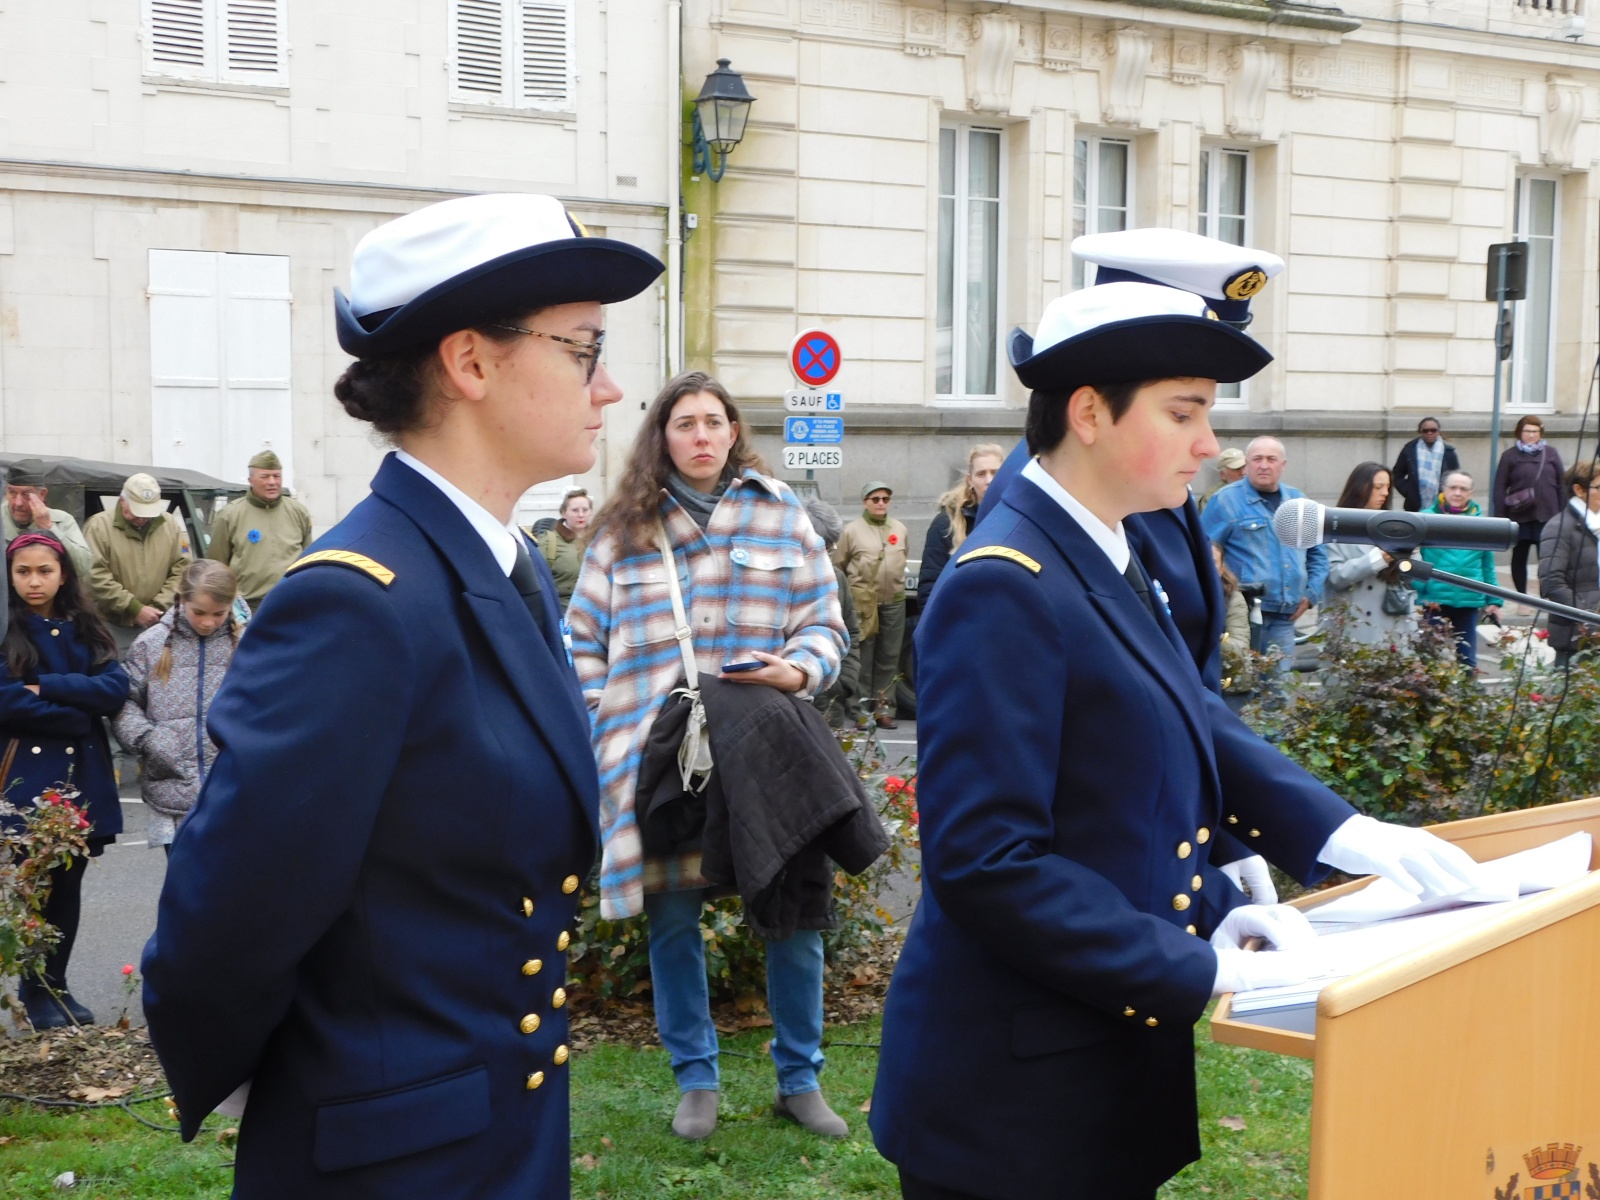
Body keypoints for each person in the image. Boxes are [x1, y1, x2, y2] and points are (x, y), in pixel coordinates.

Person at [871, 281, 1486, 1200]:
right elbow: (987, 862)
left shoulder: (1103, 548)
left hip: (1095, 1072)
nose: (1209, 443)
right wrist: (1201, 966)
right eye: (1184, 412)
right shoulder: (1005, 581)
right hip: (1012, 1106)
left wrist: (1274, 873)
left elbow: (1168, 734)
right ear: (1088, 413)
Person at [141, 192, 664, 1197]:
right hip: (391, 1160)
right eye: (583, 350)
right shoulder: (359, 601)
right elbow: (227, 921)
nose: (609, 388)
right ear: (470, 363)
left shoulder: (495, 566)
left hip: (492, 1135)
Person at [568, 371, 849, 1143]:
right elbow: (581, 642)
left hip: (764, 746)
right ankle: (696, 1079)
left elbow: (825, 623)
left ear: (732, 432)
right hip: (664, 756)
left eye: (712, 422)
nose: (700, 435)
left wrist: (799, 670)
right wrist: (607, 723)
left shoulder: (781, 514)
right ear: (662, 436)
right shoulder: (623, 529)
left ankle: (800, 1079)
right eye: (684, 423)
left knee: (793, 913)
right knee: (672, 916)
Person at [1, 532, 128, 1029]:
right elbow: (7, 699)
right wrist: (75, 713)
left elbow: (114, 687)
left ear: (63, 575)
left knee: (68, 883)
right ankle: (34, 990)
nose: (34, 581)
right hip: (29, 774)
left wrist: (46, 685)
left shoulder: (84, 625)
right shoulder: (7, 627)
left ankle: (57, 984)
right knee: (35, 885)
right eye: (23, 572)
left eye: (44, 571)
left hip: (81, 775)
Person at [112, 561, 243, 857]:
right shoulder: (151, 644)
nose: (208, 622)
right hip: (172, 788)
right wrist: (148, 739)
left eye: (219, 614)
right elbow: (125, 700)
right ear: (182, 599)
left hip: (232, 791)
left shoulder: (246, 644)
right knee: (183, 877)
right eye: (199, 612)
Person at [1201, 436, 1327, 668]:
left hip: (1285, 616)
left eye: (1271, 459)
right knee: (1241, 682)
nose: (1264, 465)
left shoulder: (1299, 502)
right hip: (1242, 616)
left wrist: (1311, 595)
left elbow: (1318, 553)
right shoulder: (1225, 500)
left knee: (1279, 686)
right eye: (1257, 459)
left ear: (1283, 465)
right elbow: (1204, 554)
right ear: (1247, 464)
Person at [83, 473, 192, 657]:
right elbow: (94, 576)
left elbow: (183, 569)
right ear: (122, 501)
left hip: (159, 622)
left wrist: (157, 607)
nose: (142, 518)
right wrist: (133, 608)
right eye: (137, 511)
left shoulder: (171, 526)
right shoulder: (98, 527)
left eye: (148, 512)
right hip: (112, 626)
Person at [834, 482, 908, 728]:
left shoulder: (899, 529)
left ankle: (884, 709)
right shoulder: (851, 531)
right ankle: (860, 710)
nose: (881, 503)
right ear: (865, 501)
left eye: (885, 499)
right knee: (863, 658)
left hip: (894, 601)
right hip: (864, 603)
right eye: (875, 499)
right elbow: (839, 565)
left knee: (889, 658)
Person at [1322, 462, 1417, 646]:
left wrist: (1412, 554)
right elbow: (1335, 577)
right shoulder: (1335, 526)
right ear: (1360, 488)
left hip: (1393, 625)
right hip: (1354, 627)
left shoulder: (1395, 525)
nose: (1385, 493)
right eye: (1378, 487)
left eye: (1388, 487)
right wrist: (1379, 559)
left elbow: (1411, 578)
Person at [204, 451, 313, 612]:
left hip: (292, 601)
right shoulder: (230, 515)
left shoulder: (298, 512)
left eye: (276, 476)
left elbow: (308, 558)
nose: (272, 482)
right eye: (265, 477)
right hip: (249, 606)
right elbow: (216, 566)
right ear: (251, 480)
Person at [1415, 470, 1502, 670]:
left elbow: (1487, 564)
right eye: (1453, 487)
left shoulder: (1482, 524)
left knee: (1467, 661)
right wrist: (1419, 592)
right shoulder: (1426, 519)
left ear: (1471, 493)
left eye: (1463, 489)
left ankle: (1468, 690)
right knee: (1430, 659)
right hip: (1434, 600)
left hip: (1468, 600)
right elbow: (1416, 560)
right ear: (1443, 490)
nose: (1457, 493)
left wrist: (1494, 600)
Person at [918, 444, 1004, 602]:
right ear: (970, 480)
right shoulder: (946, 524)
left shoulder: (1018, 519)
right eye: (981, 474)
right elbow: (929, 587)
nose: (989, 480)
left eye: (995, 473)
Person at [803, 497, 862, 727]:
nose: (834, 549)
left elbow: (851, 633)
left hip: (830, 701)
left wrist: (845, 681)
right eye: (827, 545)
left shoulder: (837, 578)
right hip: (788, 702)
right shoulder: (777, 580)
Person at [1493, 413, 1566, 594]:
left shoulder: (1551, 453)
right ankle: (1522, 597)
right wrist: (1500, 518)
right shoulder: (1509, 456)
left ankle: (1545, 597)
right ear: (1520, 432)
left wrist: (1564, 513)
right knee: (1519, 557)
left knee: (1547, 559)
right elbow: (1500, 487)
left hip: (1547, 516)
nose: (1531, 435)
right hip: (1520, 516)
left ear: (1541, 433)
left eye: (1535, 431)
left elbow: (1562, 484)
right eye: (1527, 431)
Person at [1538, 459, 1600, 669]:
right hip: (1576, 637)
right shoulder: (1559, 527)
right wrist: (1589, 619)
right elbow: (1551, 583)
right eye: (1599, 487)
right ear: (1579, 490)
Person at [2, 473, 94, 575]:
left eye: (26, 494)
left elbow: (83, 567)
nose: (18, 503)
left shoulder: (62, 520)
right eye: (12, 493)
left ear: (42, 494)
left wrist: (49, 528)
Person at [534, 486, 591, 607]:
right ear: (564, 513)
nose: (581, 515)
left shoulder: (599, 540)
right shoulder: (549, 542)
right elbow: (536, 580)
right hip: (564, 610)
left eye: (585, 510)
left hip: (595, 611)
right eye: (575, 510)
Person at [1212, 543, 1253, 710]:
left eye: (1212, 562)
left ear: (1222, 568)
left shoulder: (1233, 598)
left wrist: (1206, 633)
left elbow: (1239, 649)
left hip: (1230, 684)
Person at [1391, 417, 1459, 514]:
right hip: (1415, 507)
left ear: (1438, 431)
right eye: (1425, 431)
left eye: (1433, 430)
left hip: (1442, 507)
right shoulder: (1409, 450)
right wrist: (1409, 492)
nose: (1429, 433)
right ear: (1420, 432)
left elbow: (1456, 479)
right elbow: (1397, 474)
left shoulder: (1449, 452)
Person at [1197, 446, 1246, 513]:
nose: (1243, 472)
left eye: (1244, 467)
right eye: (1237, 469)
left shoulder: (1255, 489)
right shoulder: (1213, 497)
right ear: (1223, 475)